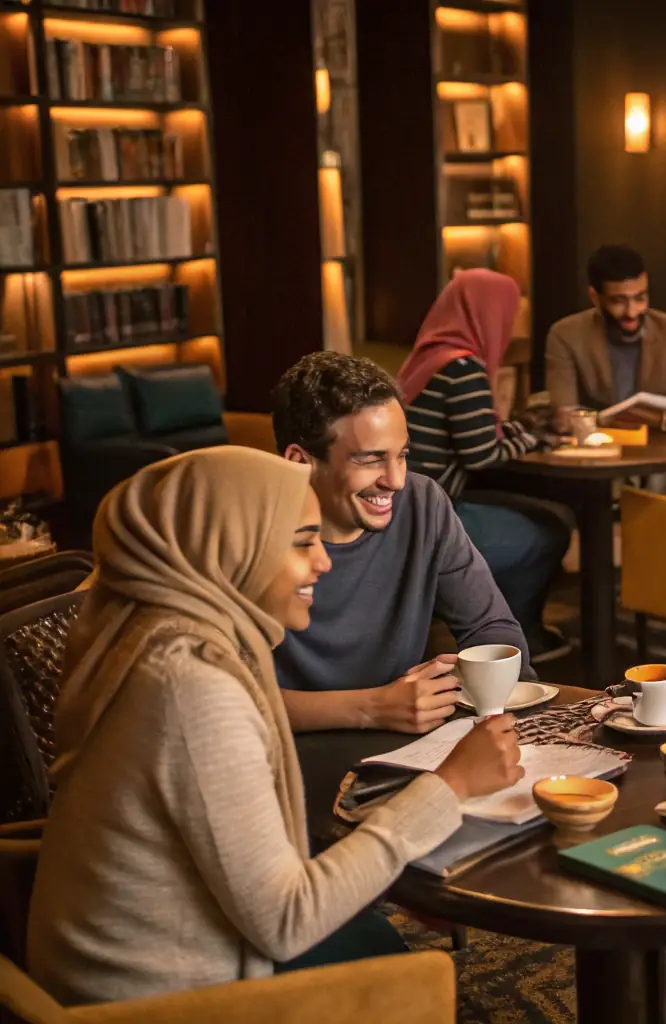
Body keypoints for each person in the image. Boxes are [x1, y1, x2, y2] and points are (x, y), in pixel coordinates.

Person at [27, 448, 525, 1005]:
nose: (324, 563)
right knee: (403, 971)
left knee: (373, 937)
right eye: (300, 542)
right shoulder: (191, 685)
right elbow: (287, 919)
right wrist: (451, 786)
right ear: (232, 547)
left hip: (145, 952)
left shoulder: (157, 635)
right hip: (163, 999)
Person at [270, 351, 533, 733]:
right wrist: (372, 708)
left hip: (403, 742)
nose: (395, 480)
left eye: (402, 455)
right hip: (287, 756)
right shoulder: (248, 531)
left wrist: (470, 675)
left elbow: (492, 628)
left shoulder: (422, 503)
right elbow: (223, 702)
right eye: (371, 459)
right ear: (300, 461)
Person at [397, 269, 573, 663]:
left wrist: (522, 426)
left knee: (539, 514)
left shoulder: (429, 356)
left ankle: (493, 620)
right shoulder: (463, 369)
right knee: (552, 527)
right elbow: (481, 453)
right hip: (434, 518)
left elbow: (473, 432)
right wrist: (537, 438)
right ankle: (517, 637)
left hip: (409, 508)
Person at [545, 244, 666, 435]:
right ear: (595, 297)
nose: (632, 312)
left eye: (640, 298)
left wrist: (663, 421)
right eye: (618, 301)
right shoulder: (566, 335)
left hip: (661, 452)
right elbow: (564, 416)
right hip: (595, 451)